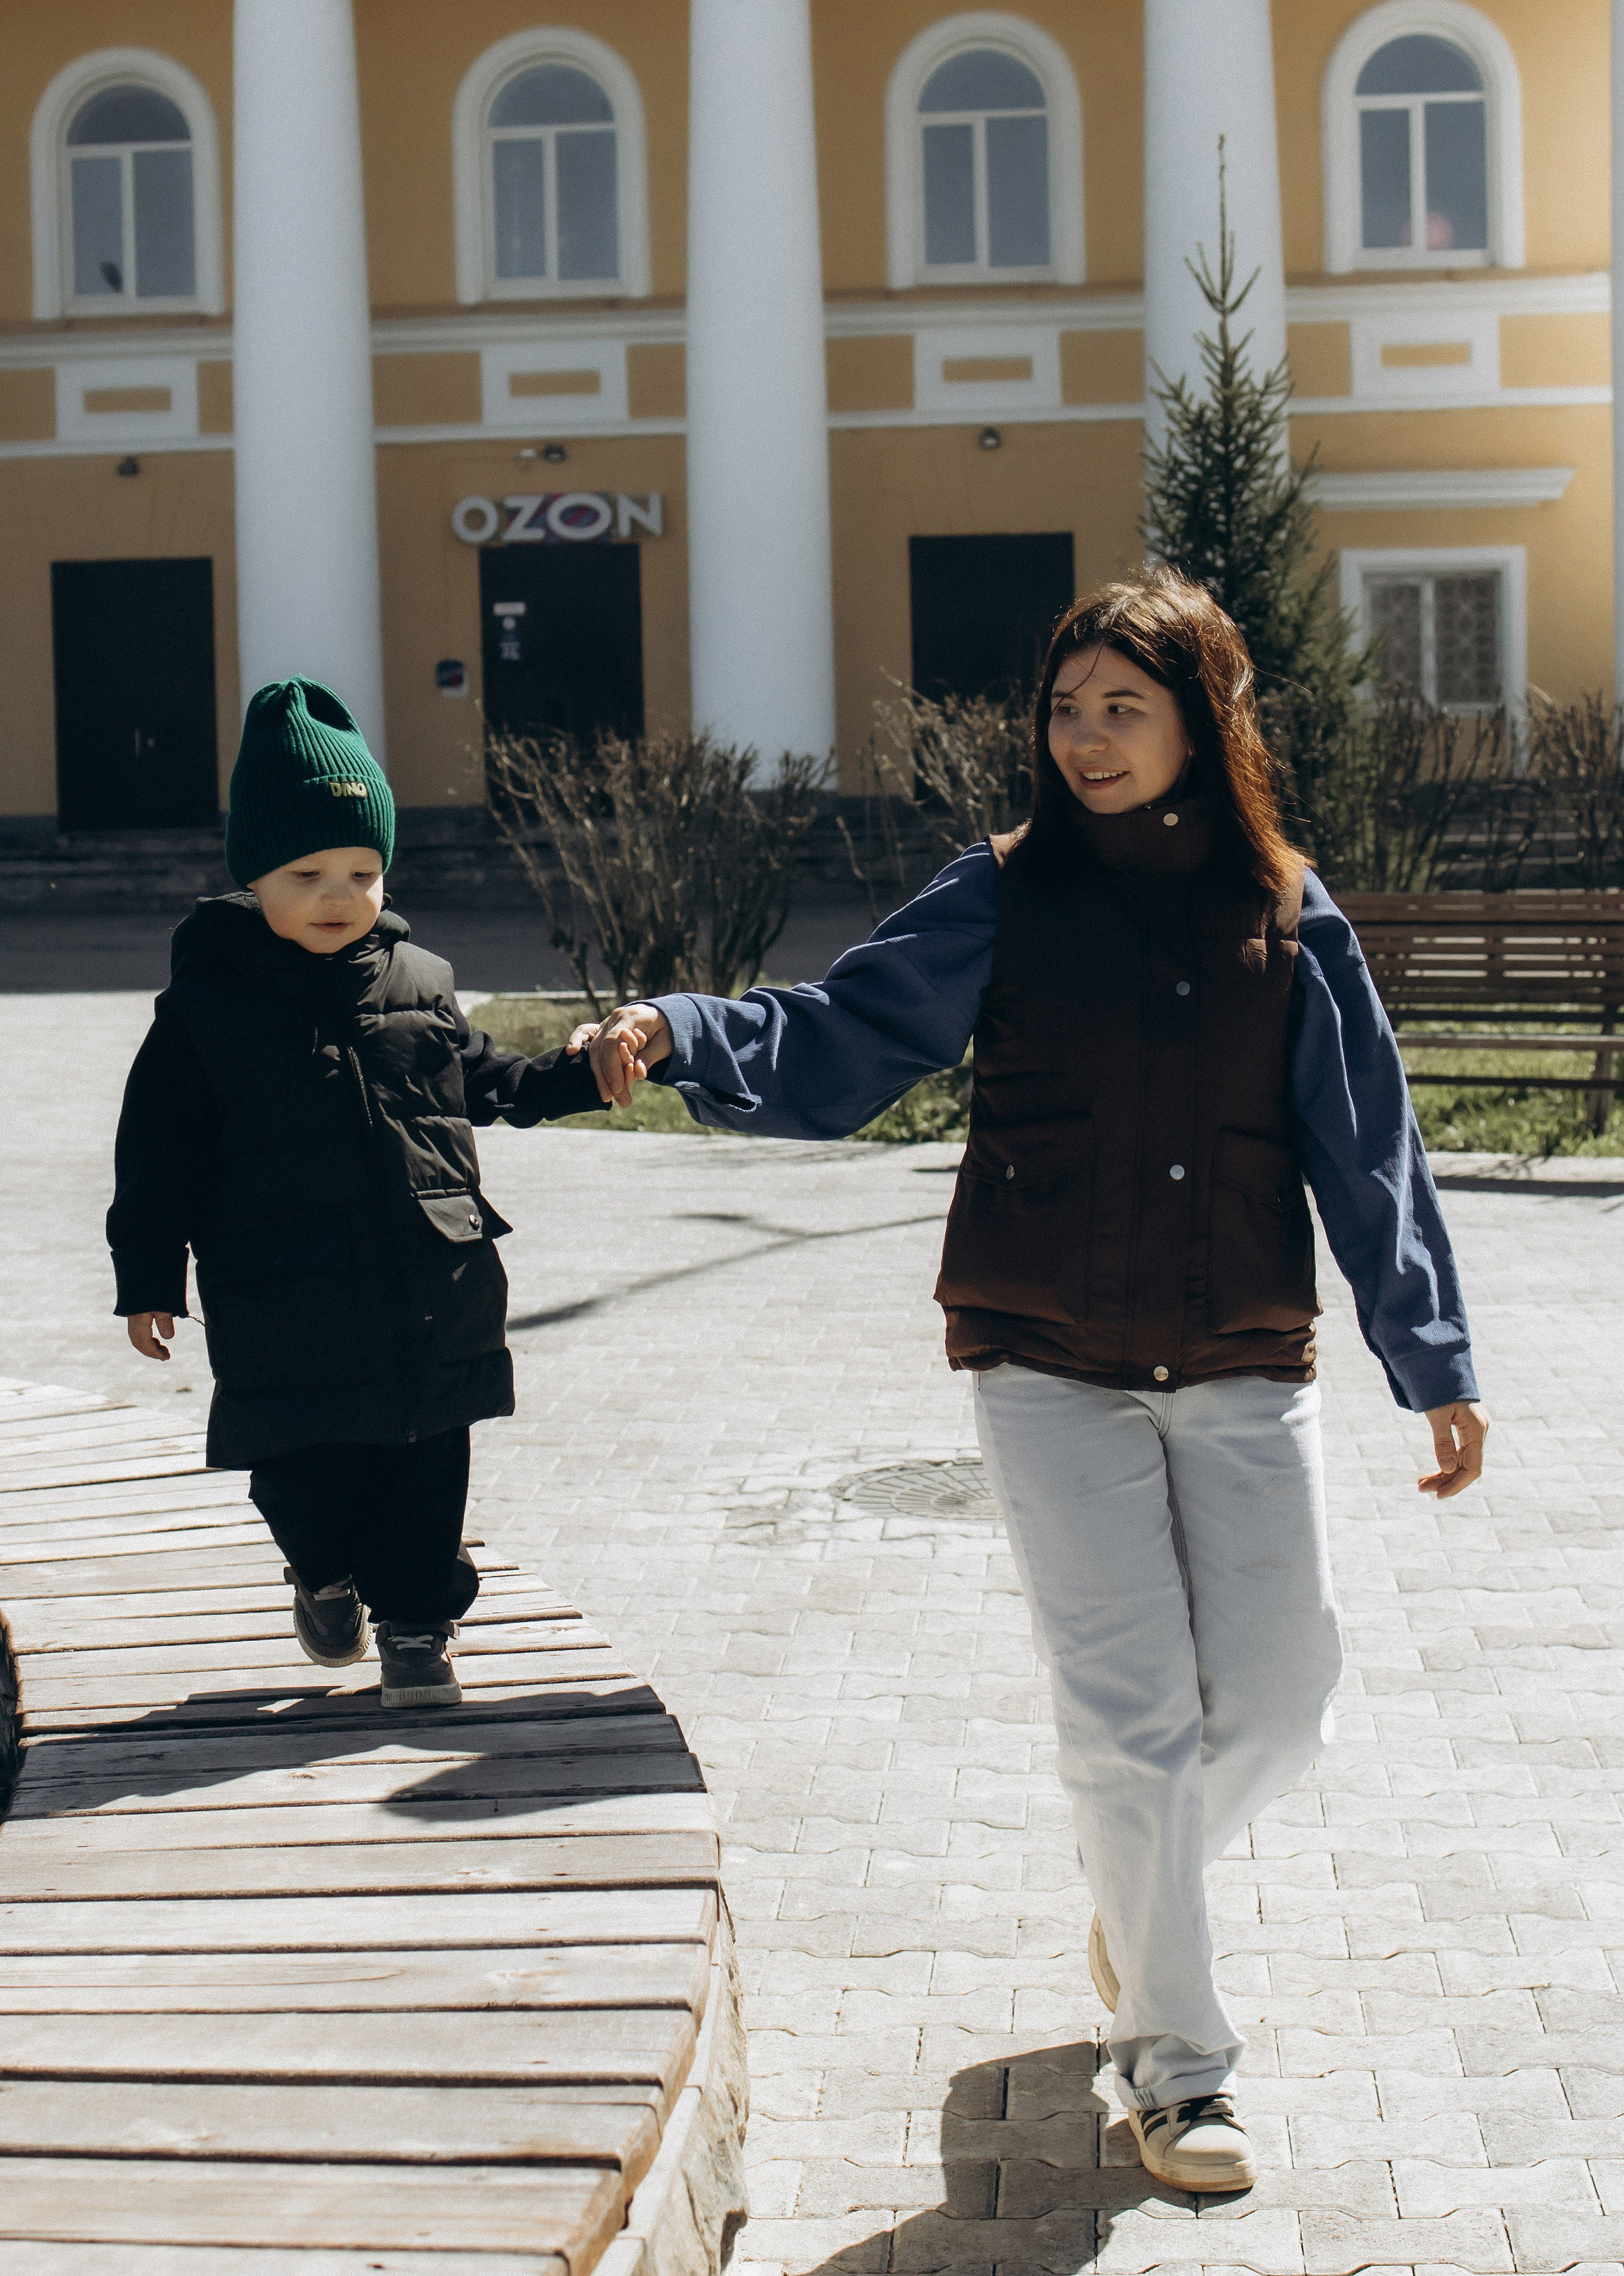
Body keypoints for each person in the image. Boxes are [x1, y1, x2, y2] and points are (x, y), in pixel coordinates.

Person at [582, 573, 1489, 2192]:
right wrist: (682, 1028)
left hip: (1239, 1353)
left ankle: (1142, 1909)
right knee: (1130, 1722)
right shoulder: (1001, 893)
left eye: (1121, 708)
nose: (1084, 739)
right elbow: (840, 1034)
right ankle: (1179, 2072)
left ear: (1202, 723)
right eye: (1065, 710)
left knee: (1282, 1693)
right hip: (1047, 1360)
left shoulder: (1287, 911)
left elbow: (1367, 1150)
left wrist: (1431, 1357)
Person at [108, 676, 605, 1708]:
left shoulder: (422, 984)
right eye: (308, 874)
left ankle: (419, 1629)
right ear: (253, 876)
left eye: (364, 872)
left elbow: (493, 1083)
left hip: (431, 1286)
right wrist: (148, 1277)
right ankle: (323, 1571)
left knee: (427, 1471)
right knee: (304, 1473)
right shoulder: (206, 1011)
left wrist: (578, 1072)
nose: (339, 895)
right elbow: (158, 1156)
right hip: (284, 1302)